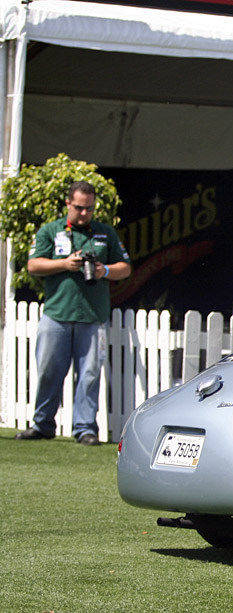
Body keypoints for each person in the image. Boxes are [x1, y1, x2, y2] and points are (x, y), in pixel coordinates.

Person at [16, 181, 132, 445]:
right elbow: (33, 265)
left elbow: (125, 268)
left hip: (93, 316)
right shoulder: (51, 230)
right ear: (68, 203)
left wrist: (105, 271)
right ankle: (43, 424)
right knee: (48, 371)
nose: (84, 214)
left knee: (90, 374)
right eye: (79, 208)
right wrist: (65, 264)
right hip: (56, 314)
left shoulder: (105, 233)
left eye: (89, 209)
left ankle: (85, 429)